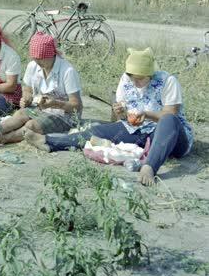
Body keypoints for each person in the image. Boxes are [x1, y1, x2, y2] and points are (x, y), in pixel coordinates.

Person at [24, 47, 194, 187]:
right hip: (138, 129)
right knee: (97, 130)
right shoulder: (126, 80)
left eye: (140, 79)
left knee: (169, 120)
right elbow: (117, 119)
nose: (136, 83)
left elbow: (170, 114)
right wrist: (118, 111)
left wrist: (147, 114)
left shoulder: (168, 81)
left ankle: (149, 166)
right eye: (132, 79)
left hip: (171, 136)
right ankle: (49, 142)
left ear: (150, 75)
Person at [0, 32, 83, 148]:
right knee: (21, 114)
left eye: (41, 59)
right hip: (40, 108)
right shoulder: (34, 65)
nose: (38, 63)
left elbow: (76, 105)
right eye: (36, 59)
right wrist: (26, 97)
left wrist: (56, 103)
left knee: (31, 125)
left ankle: (0, 139)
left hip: (64, 116)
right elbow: (27, 88)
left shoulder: (67, 71)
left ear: (51, 54)